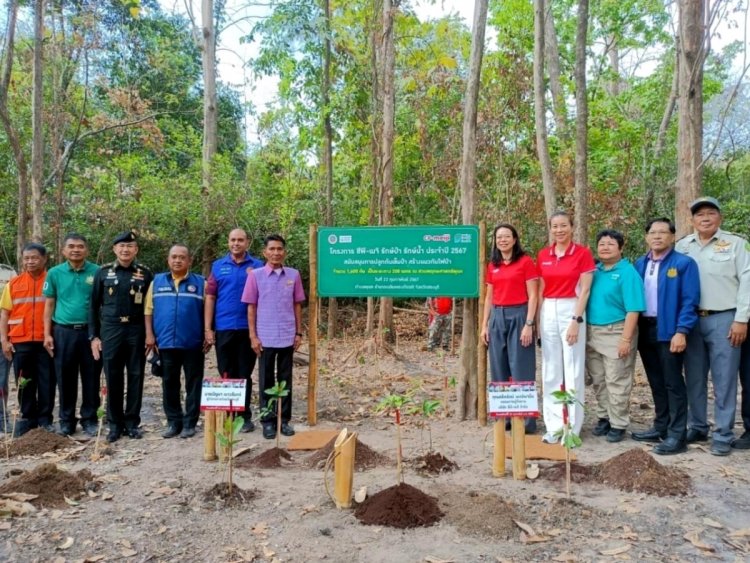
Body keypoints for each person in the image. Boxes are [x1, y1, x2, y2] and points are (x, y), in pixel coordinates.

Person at [675, 197, 750, 456]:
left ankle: (723, 433)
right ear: (692, 220)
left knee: (724, 379)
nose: (705, 218)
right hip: (691, 320)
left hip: (725, 319)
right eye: (699, 215)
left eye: (710, 213)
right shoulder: (683, 246)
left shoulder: (736, 244)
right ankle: (697, 426)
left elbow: (747, 282)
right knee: (694, 377)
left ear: (720, 218)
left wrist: (741, 319)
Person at [632, 218, 700, 455]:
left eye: (663, 232)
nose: (657, 236)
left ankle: (677, 435)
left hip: (669, 330)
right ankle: (660, 426)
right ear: (646, 237)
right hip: (646, 329)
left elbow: (690, 301)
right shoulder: (640, 263)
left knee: (673, 382)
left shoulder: (684, 263)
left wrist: (681, 331)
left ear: (672, 236)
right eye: (653, 232)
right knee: (656, 381)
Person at [536, 211, 595, 443]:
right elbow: (540, 290)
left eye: (563, 226)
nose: (559, 230)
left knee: (572, 368)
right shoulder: (544, 255)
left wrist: (575, 320)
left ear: (571, 227)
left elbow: (586, 290)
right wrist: (539, 322)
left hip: (572, 307)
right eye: (554, 226)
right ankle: (554, 426)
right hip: (548, 309)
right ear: (550, 229)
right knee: (551, 369)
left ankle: (572, 427)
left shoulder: (582, 254)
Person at [89, 231, 153, 443]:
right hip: (111, 330)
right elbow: (93, 306)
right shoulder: (103, 273)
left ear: (136, 250)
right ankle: (114, 424)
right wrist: (94, 336)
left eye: (130, 246)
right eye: (121, 246)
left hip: (136, 330)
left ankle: (132, 423)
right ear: (114, 249)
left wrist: (151, 334)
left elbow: (150, 306)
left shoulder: (145, 273)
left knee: (136, 375)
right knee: (113, 376)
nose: (125, 250)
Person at [242, 234, 305, 440]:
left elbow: (297, 305)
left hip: (287, 335)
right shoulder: (256, 275)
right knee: (266, 380)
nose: (276, 253)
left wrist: (298, 332)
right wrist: (253, 336)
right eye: (272, 249)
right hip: (265, 337)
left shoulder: (293, 275)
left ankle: (284, 420)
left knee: (285, 379)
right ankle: (268, 421)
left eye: (279, 249)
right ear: (265, 252)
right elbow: (251, 307)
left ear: (284, 252)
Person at [585, 229, 645, 443]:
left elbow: (634, 309)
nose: (605, 247)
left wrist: (626, 340)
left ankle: (618, 423)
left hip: (616, 331)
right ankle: (604, 417)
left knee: (616, 379)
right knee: (599, 380)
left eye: (611, 244)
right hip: (592, 332)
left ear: (621, 247)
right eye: (601, 243)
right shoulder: (595, 271)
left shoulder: (628, 272)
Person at [480, 223, 538, 433]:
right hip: (497, 315)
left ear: (514, 239)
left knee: (521, 366)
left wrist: (529, 324)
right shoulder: (492, 265)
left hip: (520, 315)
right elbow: (488, 297)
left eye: (506, 236)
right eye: (498, 237)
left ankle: (525, 420)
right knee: (498, 367)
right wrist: (485, 325)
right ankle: (503, 417)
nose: (502, 240)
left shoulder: (525, 262)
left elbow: (533, 295)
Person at [204, 228, 264, 432]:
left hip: (249, 329)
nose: (236, 243)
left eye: (240, 240)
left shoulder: (257, 266)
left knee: (245, 372)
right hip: (224, 327)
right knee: (226, 371)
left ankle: (244, 416)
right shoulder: (218, 266)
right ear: (228, 242)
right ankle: (229, 414)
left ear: (247, 242)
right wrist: (208, 328)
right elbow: (210, 297)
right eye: (232, 240)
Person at [145, 244, 206, 439]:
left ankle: (190, 423)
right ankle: (173, 422)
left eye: (182, 257)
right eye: (174, 257)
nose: (177, 260)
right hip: (165, 343)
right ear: (168, 259)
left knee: (193, 384)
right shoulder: (156, 282)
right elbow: (148, 311)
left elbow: (208, 312)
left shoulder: (201, 283)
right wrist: (149, 335)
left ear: (190, 261)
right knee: (169, 383)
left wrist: (207, 334)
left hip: (193, 343)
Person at [43, 233, 102, 437]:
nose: (75, 249)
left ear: (86, 250)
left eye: (80, 246)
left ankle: (90, 419)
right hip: (63, 332)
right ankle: (67, 421)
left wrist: (99, 335)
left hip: (90, 333)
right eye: (71, 246)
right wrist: (47, 334)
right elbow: (49, 304)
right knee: (64, 377)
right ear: (63, 250)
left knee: (91, 376)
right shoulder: (54, 273)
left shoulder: (98, 272)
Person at [0, 243, 55, 435]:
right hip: (20, 340)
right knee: (24, 381)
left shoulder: (52, 280)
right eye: (26, 258)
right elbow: (5, 314)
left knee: (47, 380)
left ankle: (45, 419)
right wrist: (4, 340)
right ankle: (28, 418)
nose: (30, 261)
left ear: (44, 259)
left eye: (34, 258)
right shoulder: (13, 284)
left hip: (45, 340)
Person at [0, 264, 16, 432]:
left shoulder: (7, 272)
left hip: (4, 336)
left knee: (1, 381)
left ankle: (2, 419)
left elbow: (12, 307)